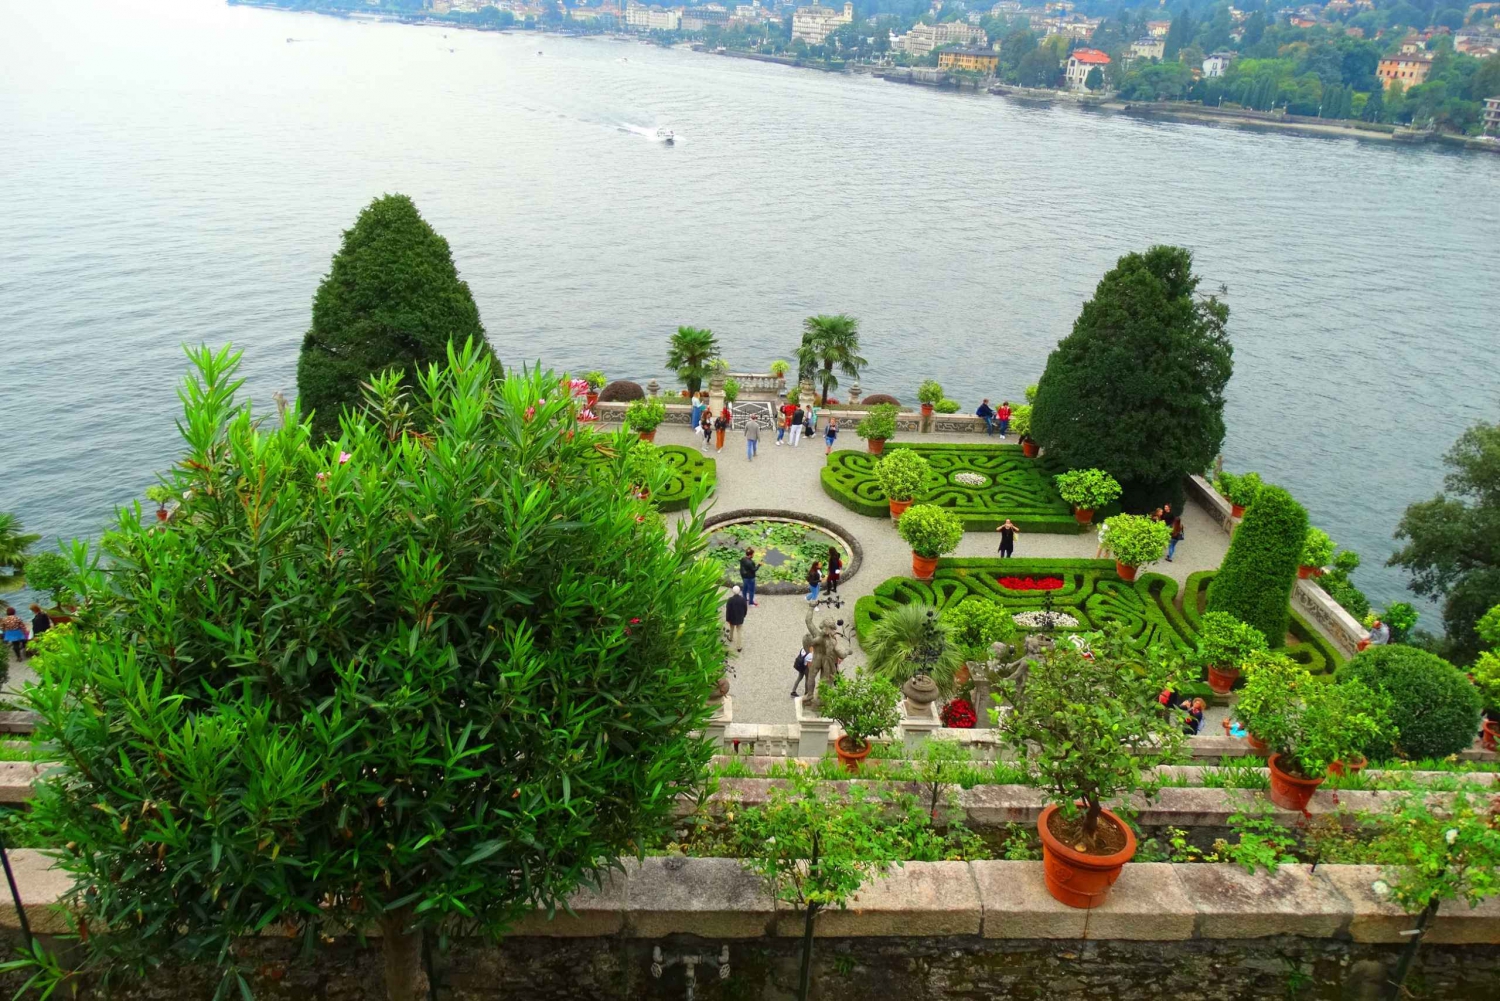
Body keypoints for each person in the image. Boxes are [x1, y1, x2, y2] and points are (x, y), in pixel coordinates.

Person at [725, 585, 748, 652]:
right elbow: (745, 609)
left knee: (731, 629)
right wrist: (744, 615)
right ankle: (739, 647)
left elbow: (728, 610)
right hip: (740, 618)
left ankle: (730, 638)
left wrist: (728, 619)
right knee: (739, 632)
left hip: (732, 618)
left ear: (733, 591)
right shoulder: (743, 599)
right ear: (739, 591)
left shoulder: (730, 600)